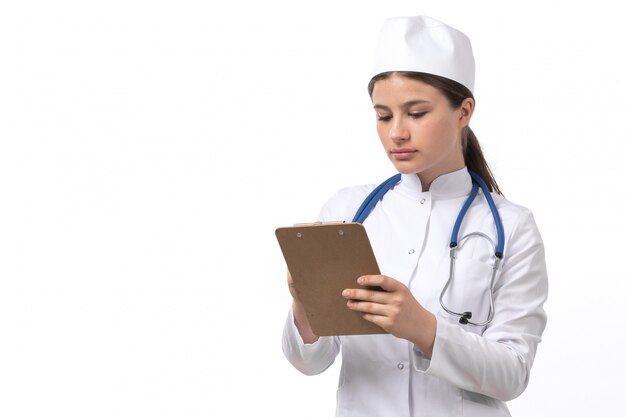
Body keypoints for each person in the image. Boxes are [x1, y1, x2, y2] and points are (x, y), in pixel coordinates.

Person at [281, 15, 548, 417]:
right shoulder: (346, 213)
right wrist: (304, 304)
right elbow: (310, 362)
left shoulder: (512, 227)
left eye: (417, 113)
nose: (397, 134)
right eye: (384, 116)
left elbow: (512, 374)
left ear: (464, 112)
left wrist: (423, 328)